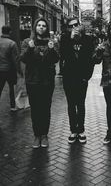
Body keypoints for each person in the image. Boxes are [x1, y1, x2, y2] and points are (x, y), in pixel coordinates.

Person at [20, 18, 59, 148]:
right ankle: (37, 135)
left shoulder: (51, 42)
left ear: (46, 28)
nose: (41, 27)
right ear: (35, 27)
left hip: (47, 81)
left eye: (43, 26)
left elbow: (56, 59)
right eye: (39, 25)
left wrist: (52, 49)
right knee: (35, 109)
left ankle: (44, 135)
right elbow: (24, 59)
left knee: (45, 108)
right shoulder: (27, 42)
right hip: (33, 81)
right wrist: (30, 49)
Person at [60, 17, 95, 144]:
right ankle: (73, 130)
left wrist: (87, 76)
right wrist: (70, 39)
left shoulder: (87, 39)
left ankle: (81, 130)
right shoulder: (65, 39)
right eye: (71, 26)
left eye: (76, 25)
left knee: (80, 104)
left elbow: (90, 60)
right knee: (71, 104)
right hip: (69, 78)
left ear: (80, 26)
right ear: (68, 28)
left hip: (82, 78)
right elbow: (63, 55)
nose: (74, 28)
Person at [0, 25, 21, 111]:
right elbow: (16, 59)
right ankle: (12, 106)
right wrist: (19, 70)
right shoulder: (12, 43)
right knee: (11, 88)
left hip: (0, 69)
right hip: (9, 70)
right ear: (10, 32)